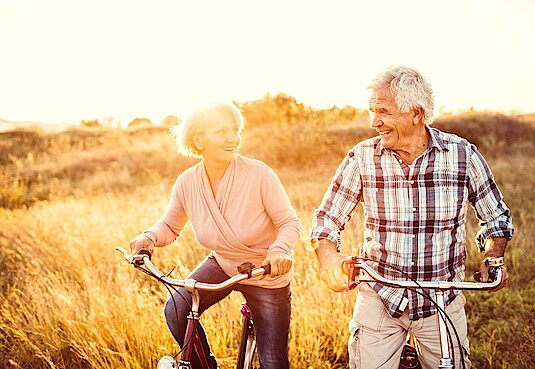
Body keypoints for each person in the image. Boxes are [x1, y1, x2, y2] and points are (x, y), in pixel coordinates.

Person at [310, 66, 513, 369]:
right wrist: (329, 258)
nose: (374, 121)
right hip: (380, 296)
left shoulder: (462, 155)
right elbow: (327, 219)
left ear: (415, 114)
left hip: (442, 301)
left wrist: (493, 256)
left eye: (383, 112)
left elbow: (496, 216)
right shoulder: (362, 157)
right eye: (372, 111)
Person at [129, 102, 301, 369]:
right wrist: (149, 237)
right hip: (222, 263)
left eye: (235, 130)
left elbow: (289, 221)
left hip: (265, 272)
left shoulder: (259, 174)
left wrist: (280, 251)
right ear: (199, 139)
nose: (233, 138)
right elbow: (170, 226)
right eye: (221, 132)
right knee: (176, 309)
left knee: (273, 362)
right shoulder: (187, 182)